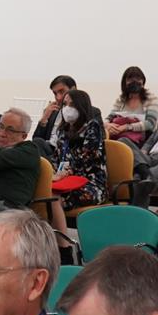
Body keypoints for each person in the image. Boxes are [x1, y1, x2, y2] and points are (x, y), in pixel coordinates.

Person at [49, 89, 108, 231]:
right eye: (65, 104)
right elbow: (56, 158)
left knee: (52, 198)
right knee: (43, 192)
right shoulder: (63, 130)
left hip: (90, 184)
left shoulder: (92, 127)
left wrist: (66, 172)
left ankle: (62, 241)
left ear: (81, 107)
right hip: (65, 182)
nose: (67, 108)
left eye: (72, 105)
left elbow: (88, 159)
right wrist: (52, 173)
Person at [106, 67, 158, 151]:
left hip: (142, 141)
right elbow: (110, 117)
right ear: (124, 82)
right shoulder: (121, 100)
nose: (134, 81)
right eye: (130, 79)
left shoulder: (151, 99)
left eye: (138, 79)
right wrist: (107, 125)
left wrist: (127, 127)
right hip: (118, 135)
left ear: (143, 81)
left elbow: (150, 124)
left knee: (122, 142)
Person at [34, 75, 78, 144]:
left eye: (62, 92)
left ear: (73, 89)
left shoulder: (89, 112)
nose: (58, 97)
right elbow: (36, 141)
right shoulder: (52, 111)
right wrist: (44, 119)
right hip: (47, 148)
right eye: (55, 93)